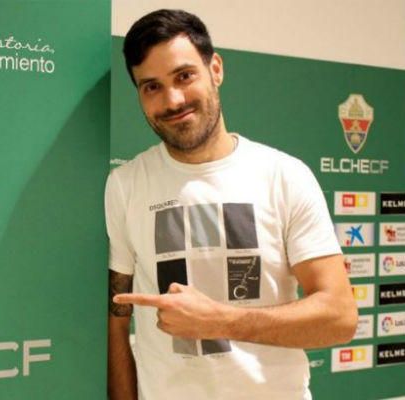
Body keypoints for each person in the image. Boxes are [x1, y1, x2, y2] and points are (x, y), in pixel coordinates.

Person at [106, 9, 357, 400]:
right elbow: (116, 320)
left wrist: (220, 321)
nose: (173, 100)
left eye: (184, 76)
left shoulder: (284, 176)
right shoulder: (125, 184)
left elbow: (339, 317)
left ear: (216, 69)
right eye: (152, 86)